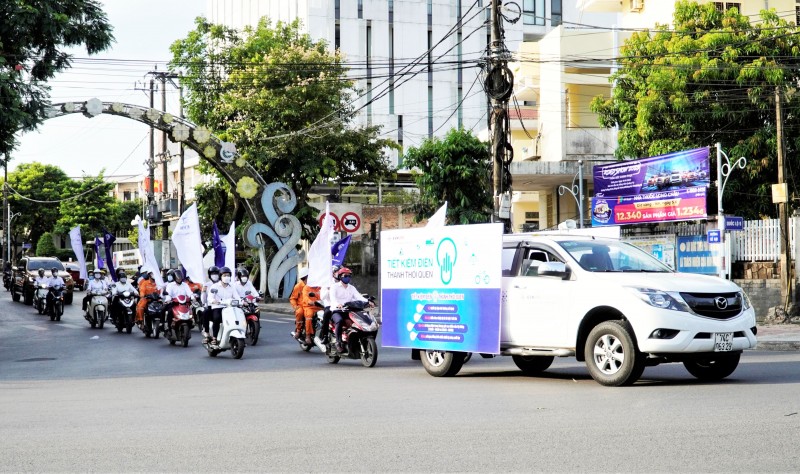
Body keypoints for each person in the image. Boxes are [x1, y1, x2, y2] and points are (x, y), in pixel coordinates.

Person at [327, 267, 370, 353]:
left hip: (349, 311)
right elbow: (333, 299)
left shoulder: (351, 288)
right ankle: (338, 343)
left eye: (349, 276)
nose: (347, 277)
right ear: (340, 276)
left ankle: (354, 341)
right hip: (337, 311)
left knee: (358, 323)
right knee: (339, 321)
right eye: (345, 276)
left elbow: (359, 297)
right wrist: (338, 304)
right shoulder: (334, 287)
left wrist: (368, 302)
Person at [205, 266, 245, 345]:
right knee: (217, 318)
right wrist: (214, 301)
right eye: (224, 275)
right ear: (220, 276)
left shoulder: (232, 287)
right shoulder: (215, 286)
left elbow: (237, 297)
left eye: (228, 275)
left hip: (229, 308)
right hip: (218, 307)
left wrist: (243, 302)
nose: (227, 277)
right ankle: (214, 338)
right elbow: (210, 297)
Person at [299, 280, 321, 346]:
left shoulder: (321, 287)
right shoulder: (306, 287)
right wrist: (310, 302)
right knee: (309, 316)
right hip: (309, 307)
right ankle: (307, 335)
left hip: (320, 306)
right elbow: (305, 297)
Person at [289, 268, 307, 340]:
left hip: (312, 305)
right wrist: (296, 307)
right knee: (299, 312)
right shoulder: (299, 286)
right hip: (301, 306)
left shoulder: (314, 285)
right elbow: (292, 298)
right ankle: (299, 330)